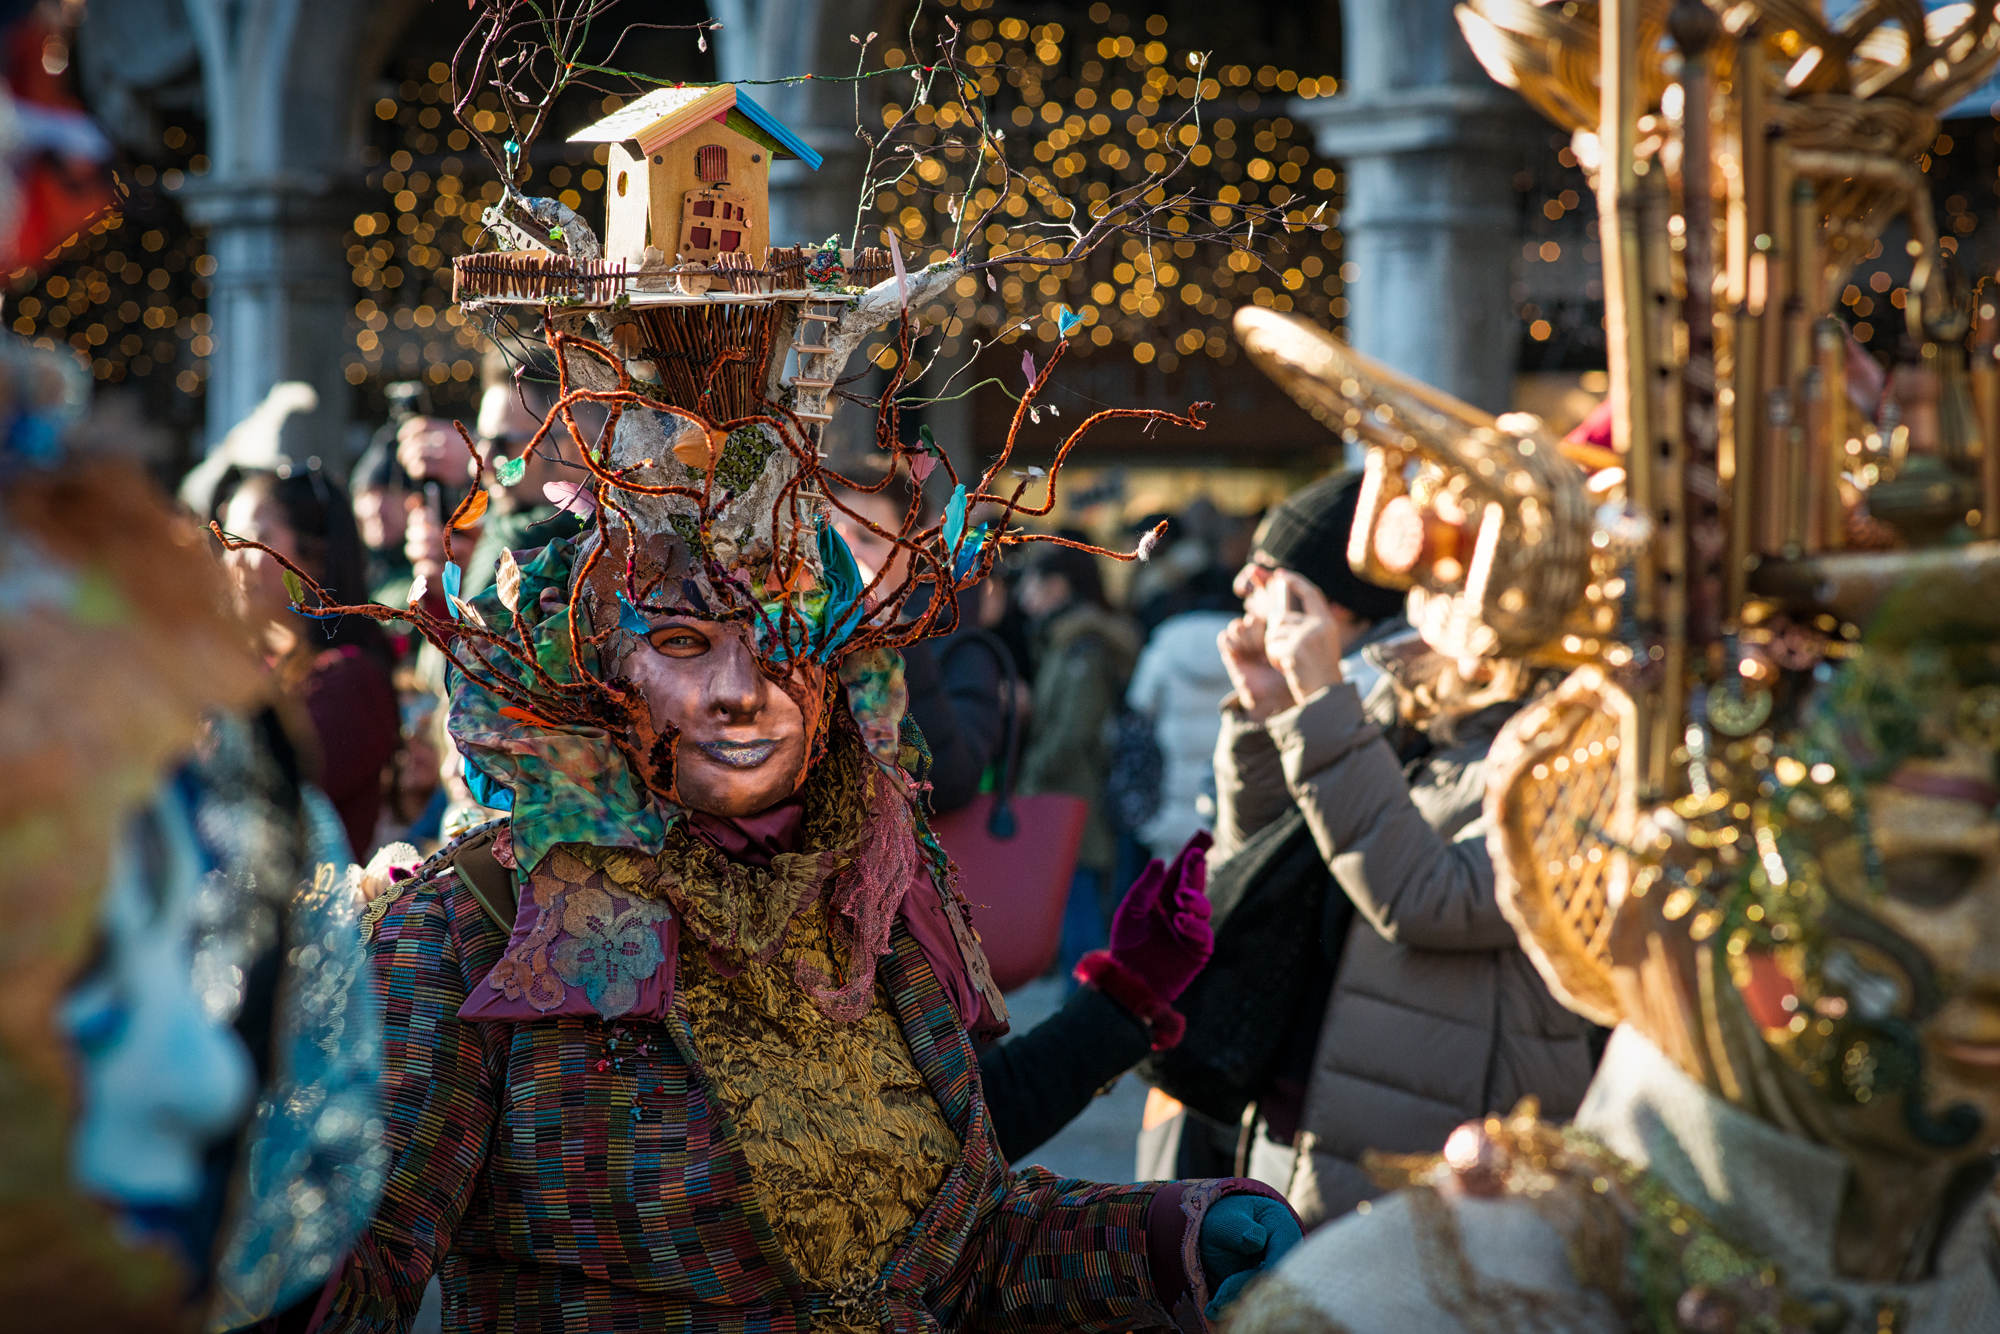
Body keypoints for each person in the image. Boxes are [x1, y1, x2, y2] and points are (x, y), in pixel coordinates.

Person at [306, 360, 1301, 1332]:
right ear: (600, 668)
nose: (743, 685)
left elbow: (962, 1246)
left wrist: (1162, 1236)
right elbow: (343, 1276)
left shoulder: (871, 900)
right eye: (686, 642)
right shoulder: (479, 924)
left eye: (785, 635)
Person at [1212, 471, 1593, 1225]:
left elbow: (1436, 900)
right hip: (1305, 1123)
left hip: (1446, 1152)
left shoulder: (1578, 738)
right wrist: (1268, 714)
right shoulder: (1405, 693)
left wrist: (1320, 703)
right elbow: (1259, 862)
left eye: (1453, 571)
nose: (1427, 598)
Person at [219, 468, 400, 859]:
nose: (233, 558)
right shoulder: (254, 667)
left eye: (255, 539)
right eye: (227, 538)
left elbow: (269, 803)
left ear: (315, 557)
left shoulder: (349, 681)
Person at [1015, 535, 1143, 970]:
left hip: (1075, 800)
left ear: (1059, 587)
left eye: (1032, 583)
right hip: (1067, 797)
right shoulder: (1062, 640)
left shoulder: (1080, 648)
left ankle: (1085, 1005)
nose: (1022, 595)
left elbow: (1073, 732)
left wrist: (1031, 776)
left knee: (1080, 916)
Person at [395, 345, 602, 599]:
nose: (480, 466)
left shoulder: (521, 537)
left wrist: (455, 598)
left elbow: (472, 638)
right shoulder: (626, 528)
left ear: (575, 447)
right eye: (481, 440)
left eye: (502, 444)